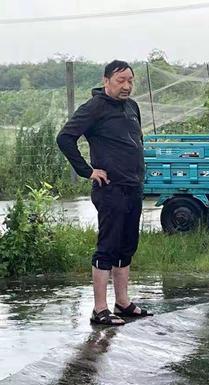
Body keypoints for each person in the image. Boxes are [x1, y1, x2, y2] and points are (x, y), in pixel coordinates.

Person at [57, 60, 152, 326]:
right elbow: (65, 138)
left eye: (130, 80)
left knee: (127, 245)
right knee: (108, 246)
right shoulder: (95, 107)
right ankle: (99, 309)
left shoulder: (131, 107)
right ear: (106, 80)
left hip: (133, 186)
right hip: (110, 188)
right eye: (121, 80)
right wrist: (88, 171)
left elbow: (135, 142)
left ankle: (122, 302)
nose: (126, 86)